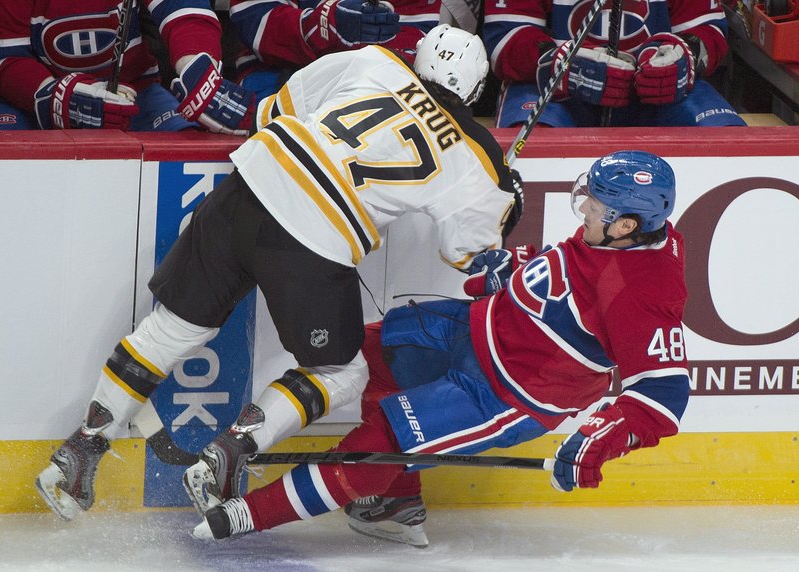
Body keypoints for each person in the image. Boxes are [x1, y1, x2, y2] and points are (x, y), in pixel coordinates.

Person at [34, 25, 523, 522]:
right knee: (342, 372)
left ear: (418, 60)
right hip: (314, 234)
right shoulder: (476, 152)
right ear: (475, 88)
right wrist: (508, 202)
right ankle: (228, 453)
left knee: (172, 329)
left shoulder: (375, 60)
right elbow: (467, 254)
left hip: (251, 182)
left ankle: (78, 454)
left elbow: (279, 107)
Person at [190, 150, 691, 549]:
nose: (584, 208)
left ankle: (246, 516)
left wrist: (599, 440)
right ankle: (393, 506)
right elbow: (573, 277)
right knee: (357, 354)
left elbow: (664, 394)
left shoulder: (644, 290)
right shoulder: (616, 238)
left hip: (501, 392)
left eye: (597, 206)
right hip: (471, 331)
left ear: (627, 225)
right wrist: (513, 269)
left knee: (379, 442)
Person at [0, 1, 254, 133]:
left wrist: (198, 66)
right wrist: (55, 96)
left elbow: (185, 10)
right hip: (33, 101)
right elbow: (6, 57)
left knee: (186, 143)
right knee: (10, 151)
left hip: (135, 95)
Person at [482, 0, 747, 128]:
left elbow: (706, 29)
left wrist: (684, 56)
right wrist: (562, 65)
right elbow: (505, 37)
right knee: (533, 143)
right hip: (556, 93)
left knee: (725, 135)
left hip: (658, 96)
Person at [227, 0, 437, 102]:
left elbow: (414, 42)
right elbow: (255, 23)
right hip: (277, 76)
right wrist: (320, 26)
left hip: (378, 85)